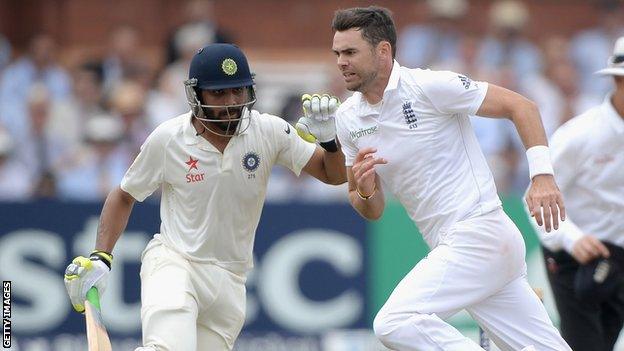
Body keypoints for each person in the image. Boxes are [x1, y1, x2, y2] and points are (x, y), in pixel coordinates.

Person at [63, 43, 346, 351]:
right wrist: (101, 257)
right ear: (196, 95)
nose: (232, 102)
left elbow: (334, 175)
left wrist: (330, 142)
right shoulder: (169, 138)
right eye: (219, 93)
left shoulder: (269, 132)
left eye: (238, 91)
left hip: (231, 280)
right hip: (176, 262)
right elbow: (124, 196)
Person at [329, 6, 570, 351]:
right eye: (337, 53)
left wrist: (543, 175)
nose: (341, 62)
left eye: (350, 52)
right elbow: (371, 207)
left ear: (383, 51)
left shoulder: (429, 85)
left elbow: (522, 107)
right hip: (466, 247)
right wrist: (366, 192)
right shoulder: (347, 118)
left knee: (394, 322)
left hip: (478, 231)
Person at [530, 36, 624, 351]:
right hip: (571, 254)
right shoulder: (578, 136)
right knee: (585, 345)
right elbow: (536, 199)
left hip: (618, 256)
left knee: (605, 342)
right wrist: (572, 239)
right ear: (618, 81)